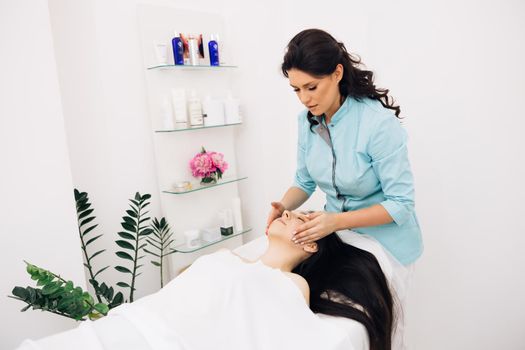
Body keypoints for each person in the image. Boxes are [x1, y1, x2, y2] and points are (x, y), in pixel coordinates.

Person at [17, 210, 394, 350]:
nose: (290, 213)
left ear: (311, 245)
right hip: (143, 322)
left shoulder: (294, 284)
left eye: (302, 218)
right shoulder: (231, 259)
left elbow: (273, 333)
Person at [266, 28, 423, 268]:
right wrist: (284, 206)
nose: (304, 99)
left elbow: (401, 204)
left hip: (388, 248)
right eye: (296, 90)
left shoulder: (377, 123)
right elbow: (303, 181)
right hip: (341, 240)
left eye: (312, 87)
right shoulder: (306, 121)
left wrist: (337, 221)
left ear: (337, 73)